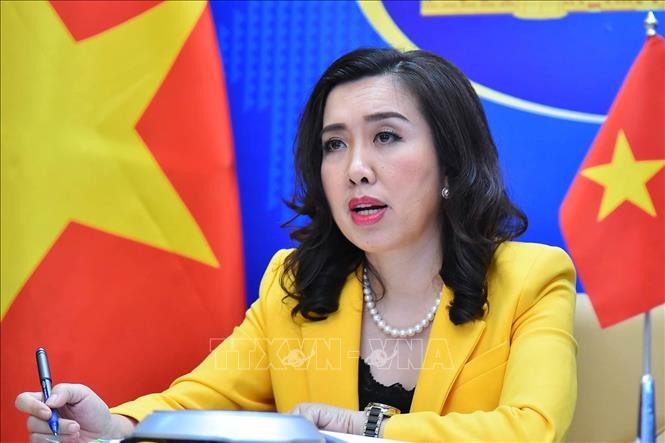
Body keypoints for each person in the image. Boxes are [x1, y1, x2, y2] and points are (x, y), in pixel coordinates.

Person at [16, 48, 577, 441]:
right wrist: (109, 427)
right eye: (335, 145)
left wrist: (368, 428)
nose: (356, 168)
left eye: (386, 136)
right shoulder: (295, 284)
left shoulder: (531, 281)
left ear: (451, 162)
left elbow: (532, 429)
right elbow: (195, 403)